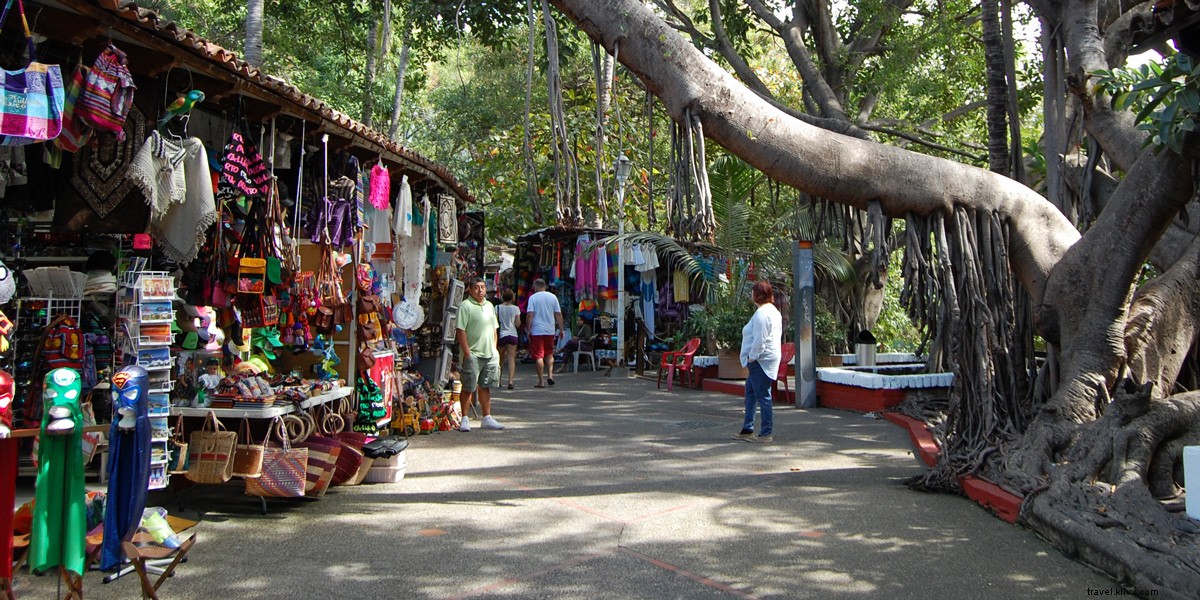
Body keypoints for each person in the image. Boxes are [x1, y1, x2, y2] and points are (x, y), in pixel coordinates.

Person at [733, 280, 782, 443]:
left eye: (752, 292)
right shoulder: (772, 311)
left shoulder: (762, 314)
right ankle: (747, 428)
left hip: (760, 360)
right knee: (751, 392)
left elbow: (759, 341)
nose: (751, 294)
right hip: (766, 359)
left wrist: (751, 358)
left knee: (763, 396)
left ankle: (766, 433)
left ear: (757, 295)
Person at [455, 277, 505, 431]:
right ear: (470, 289)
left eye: (483, 287)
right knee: (468, 386)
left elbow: (494, 329)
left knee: (485, 385)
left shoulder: (489, 306)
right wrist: (467, 353)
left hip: (489, 353)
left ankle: (487, 417)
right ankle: (464, 418)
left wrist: (494, 350)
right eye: (477, 287)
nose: (481, 290)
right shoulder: (465, 306)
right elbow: (460, 330)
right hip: (473, 353)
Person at [525, 278, 563, 387]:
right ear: (545, 286)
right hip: (550, 330)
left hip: (537, 330)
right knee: (549, 353)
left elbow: (530, 314)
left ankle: (541, 381)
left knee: (539, 356)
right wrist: (561, 329)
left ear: (536, 286)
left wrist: (528, 329)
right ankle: (550, 375)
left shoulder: (533, 298)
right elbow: (558, 314)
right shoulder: (553, 297)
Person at [495, 289, 521, 390]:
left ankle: (498, 380)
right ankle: (510, 381)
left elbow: (494, 322)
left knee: (500, 359)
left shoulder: (497, 307)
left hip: (501, 335)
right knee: (511, 358)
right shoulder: (516, 309)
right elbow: (517, 324)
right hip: (513, 335)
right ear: (512, 297)